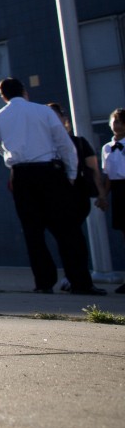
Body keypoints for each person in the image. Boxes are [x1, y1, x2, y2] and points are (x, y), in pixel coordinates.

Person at [0, 78, 106, 295]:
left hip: (21, 174)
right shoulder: (43, 112)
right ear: (24, 92)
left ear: (2, 96)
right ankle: (80, 282)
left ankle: (43, 282)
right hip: (50, 171)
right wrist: (70, 173)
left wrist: (16, 164)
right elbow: (64, 144)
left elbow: (0, 147)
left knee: (33, 232)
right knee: (68, 230)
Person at [99, 108, 125, 293]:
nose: (116, 125)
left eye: (120, 122)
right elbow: (107, 175)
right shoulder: (107, 148)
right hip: (118, 190)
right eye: (114, 121)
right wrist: (103, 196)